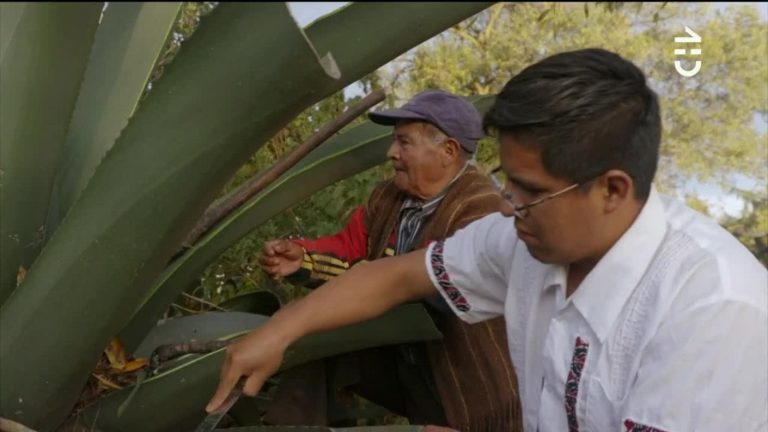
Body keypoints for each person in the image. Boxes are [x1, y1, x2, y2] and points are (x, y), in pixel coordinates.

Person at [207, 49, 768, 431]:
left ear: (612, 190)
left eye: (529, 192)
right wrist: (281, 330)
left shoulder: (712, 314)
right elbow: (397, 274)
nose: (510, 207)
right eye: (508, 181)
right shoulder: (525, 242)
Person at [258, 90, 522, 430]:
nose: (391, 153)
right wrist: (302, 259)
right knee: (315, 338)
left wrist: (369, 285)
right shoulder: (389, 196)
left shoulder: (481, 209)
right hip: (403, 361)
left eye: (404, 142)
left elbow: (418, 287)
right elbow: (352, 248)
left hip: (461, 381)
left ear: (448, 151)